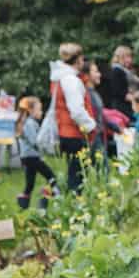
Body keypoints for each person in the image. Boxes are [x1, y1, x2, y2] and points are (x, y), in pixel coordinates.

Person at [49, 43, 96, 193]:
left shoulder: (59, 78)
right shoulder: (70, 80)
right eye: (82, 58)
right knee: (77, 179)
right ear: (78, 60)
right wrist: (91, 125)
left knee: (74, 175)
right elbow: (76, 111)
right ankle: (75, 211)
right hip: (74, 133)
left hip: (65, 132)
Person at [13, 96, 57, 209]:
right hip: (32, 157)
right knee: (51, 177)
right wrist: (46, 148)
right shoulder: (30, 123)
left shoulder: (26, 123)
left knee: (30, 184)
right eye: (39, 109)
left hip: (27, 157)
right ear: (31, 111)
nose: (41, 112)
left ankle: (22, 206)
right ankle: (46, 197)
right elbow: (35, 141)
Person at [105, 45, 139, 117]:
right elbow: (119, 92)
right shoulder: (117, 71)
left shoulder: (123, 70)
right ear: (121, 57)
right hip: (122, 108)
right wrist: (137, 100)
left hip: (125, 105)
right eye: (128, 57)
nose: (130, 60)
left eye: (130, 57)